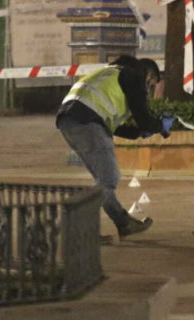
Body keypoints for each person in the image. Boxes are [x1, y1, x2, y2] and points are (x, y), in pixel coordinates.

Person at [56, 55, 172, 238]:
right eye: (150, 84)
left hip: (69, 120)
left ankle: (123, 223)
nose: (148, 91)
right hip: (88, 122)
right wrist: (159, 125)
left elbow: (115, 125)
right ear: (147, 73)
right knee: (109, 178)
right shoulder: (133, 76)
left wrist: (139, 132)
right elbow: (144, 118)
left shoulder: (110, 75)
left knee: (103, 181)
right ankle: (77, 226)